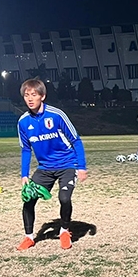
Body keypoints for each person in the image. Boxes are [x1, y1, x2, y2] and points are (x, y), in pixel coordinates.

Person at [16, 78, 88, 251]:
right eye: (26, 95)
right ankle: (29, 237)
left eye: (34, 94)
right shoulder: (23, 122)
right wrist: (24, 175)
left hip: (67, 165)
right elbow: (26, 150)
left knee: (64, 198)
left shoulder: (57, 115)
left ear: (43, 96)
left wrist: (82, 167)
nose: (30, 99)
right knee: (29, 200)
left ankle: (64, 230)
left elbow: (76, 141)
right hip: (45, 168)